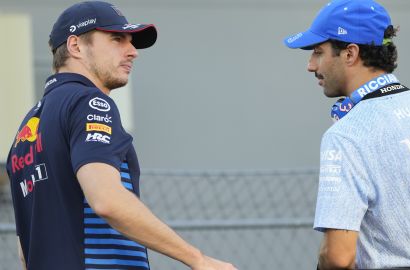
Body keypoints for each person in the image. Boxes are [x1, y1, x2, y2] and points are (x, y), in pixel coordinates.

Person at [6, 1, 237, 270]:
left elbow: (25, 251)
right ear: (75, 46)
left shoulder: (26, 129)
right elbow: (107, 200)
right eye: (117, 39)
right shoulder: (89, 102)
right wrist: (198, 259)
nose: (132, 52)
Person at [283, 0, 410, 268]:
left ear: (350, 53)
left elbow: (338, 258)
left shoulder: (346, 134)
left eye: (318, 52)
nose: (310, 65)